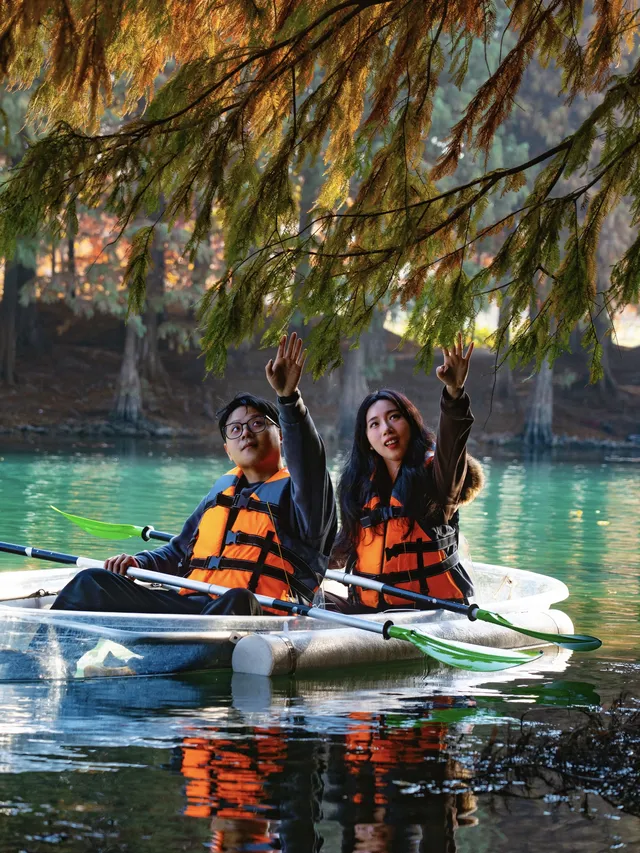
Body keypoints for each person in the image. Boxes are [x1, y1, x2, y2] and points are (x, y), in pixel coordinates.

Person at [50, 332, 336, 617]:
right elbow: (177, 553)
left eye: (257, 424)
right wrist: (137, 563)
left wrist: (289, 399)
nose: (246, 432)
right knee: (92, 583)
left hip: (261, 617)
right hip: (192, 609)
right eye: (235, 429)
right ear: (227, 450)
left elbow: (309, 461)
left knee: (238, 600)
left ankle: (179, 658)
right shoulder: (221, 493)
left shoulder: (307, 496)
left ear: (282, 435)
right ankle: (36, 656)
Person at [331, 333, 483, 612]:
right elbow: (344, 548)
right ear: (367, 439)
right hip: (368, 611)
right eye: (374, 424)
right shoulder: (360, 487)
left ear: (411, 424)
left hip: (427, 611)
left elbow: (452, 449)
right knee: (312, 601)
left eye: (394, 417)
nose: (386, 428)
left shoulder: (437, 480)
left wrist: (454, 394)